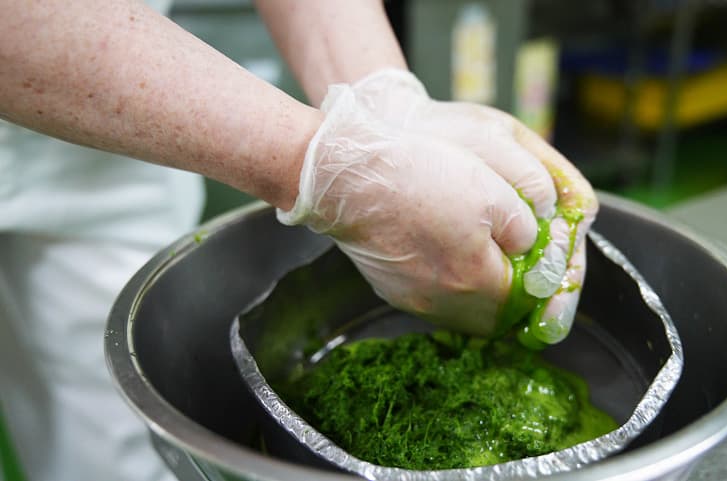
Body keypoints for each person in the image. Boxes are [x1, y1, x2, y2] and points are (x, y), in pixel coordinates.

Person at [0, 1, 597, 481]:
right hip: (74, 64)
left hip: (119, 116)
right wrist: (318, 161)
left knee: (107, 436)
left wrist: (382, 98)